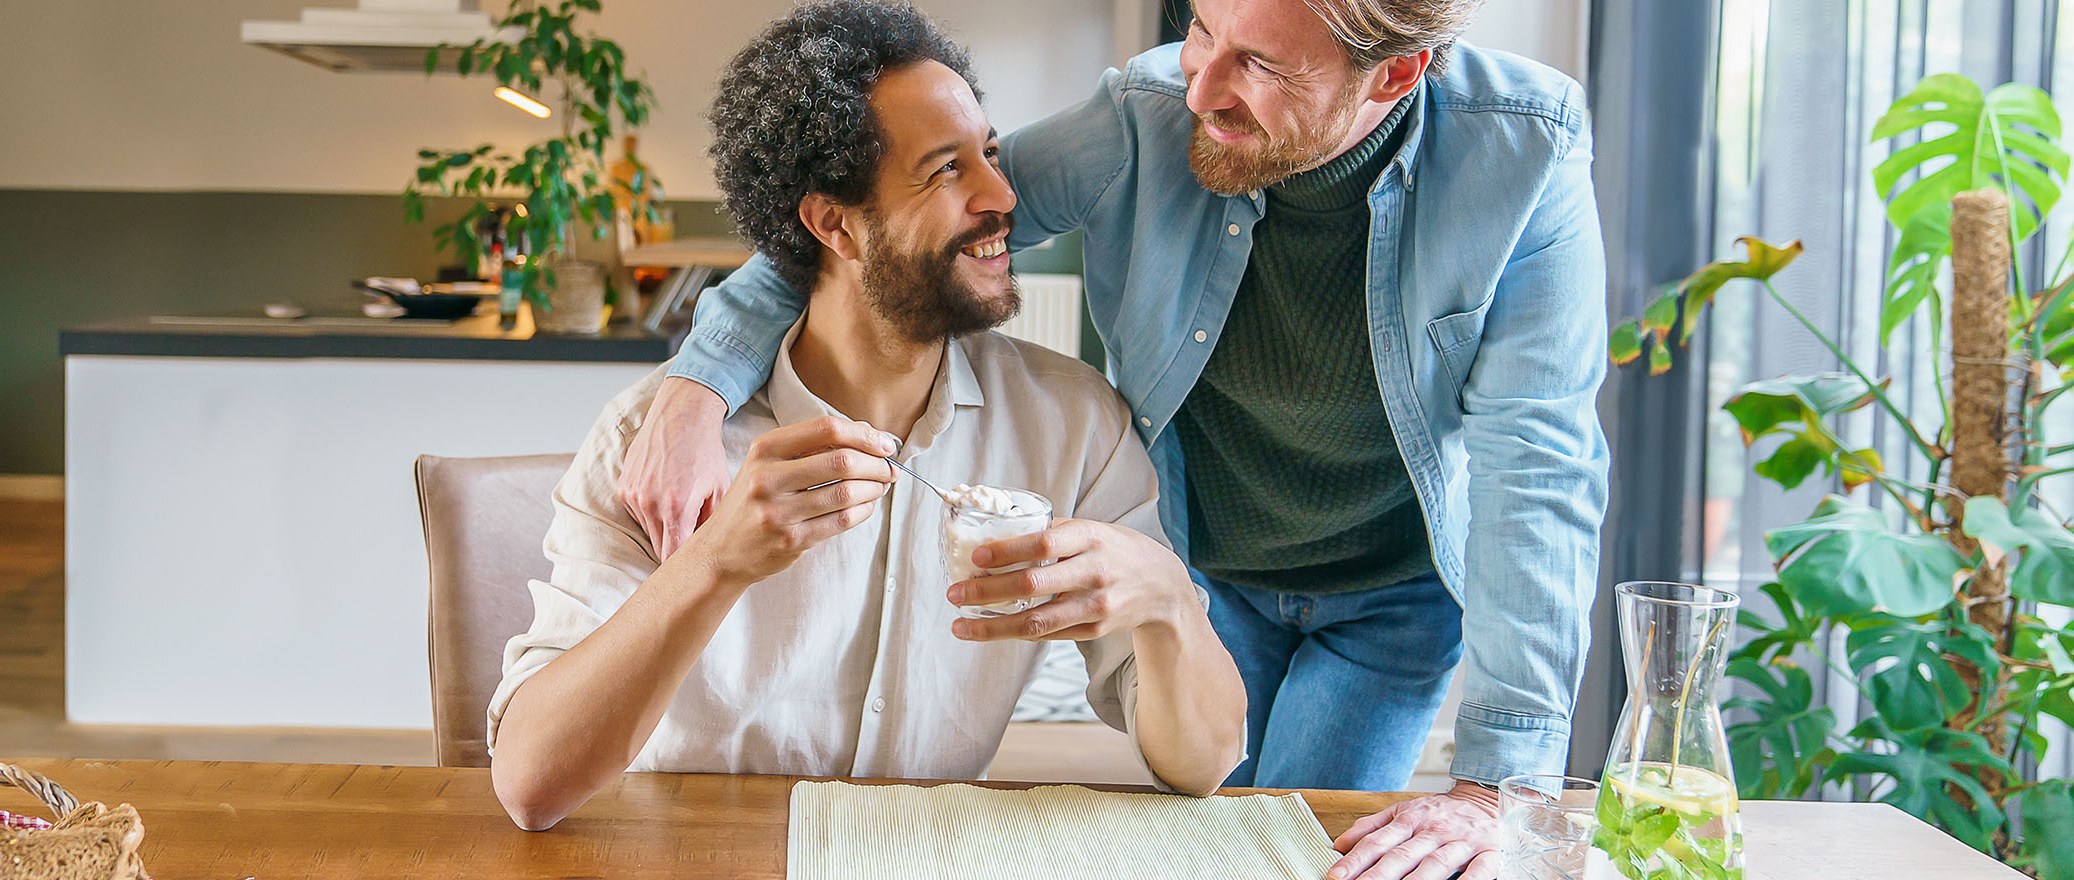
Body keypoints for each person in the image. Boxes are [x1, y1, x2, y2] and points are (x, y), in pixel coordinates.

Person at [618, 0, 1611, 877]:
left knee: (1312, 851)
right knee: (1204, 821)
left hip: (1387, 600)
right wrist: (694, 385)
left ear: (1395, 75)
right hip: (1208, 565)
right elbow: (883, 229)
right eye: (1202, 29)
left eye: (1257, 65)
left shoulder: (1522, 148)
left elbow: (1539, 462)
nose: (1199, 84)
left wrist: (1495, 786)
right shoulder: (1139, 112)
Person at [485, 0, 1245, 833]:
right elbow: (531, 783)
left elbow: (1203, 762)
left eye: (990, 153)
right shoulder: (660, 447)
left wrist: (1168, 599)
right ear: (833, 223)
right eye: (945, 170)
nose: (1003, 196)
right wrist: (713, 565)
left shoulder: (1074, 428)